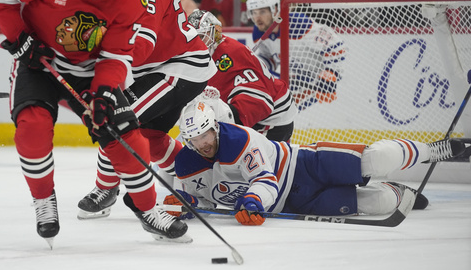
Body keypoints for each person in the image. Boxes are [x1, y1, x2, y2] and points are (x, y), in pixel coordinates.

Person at [0, 0, 189, 246]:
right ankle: (43, 200)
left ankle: (148, 209)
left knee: (126, 134)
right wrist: (19, 38)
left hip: (89, 70)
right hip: (39, 63)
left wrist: (105, 94)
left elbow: (115, 57)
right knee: (33, 126)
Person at [76, 0, 216, 221]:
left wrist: (110, 73)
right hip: (156, 68)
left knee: (116, 119)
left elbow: (143, 43)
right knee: (149, 138)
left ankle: (106, 189)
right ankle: (205, 176)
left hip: (180, 66)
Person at [164, 101, 470, 225]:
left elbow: (264, 182)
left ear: (215, 127)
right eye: (194, 140)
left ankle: (434, 150)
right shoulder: (187, 165)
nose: (202, 144)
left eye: (205, 134)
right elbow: (200, 199)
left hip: (305, 164)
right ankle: (400, 191)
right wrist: (185, 202)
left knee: (377, 159)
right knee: (378, 203)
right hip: (299, 203)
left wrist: (254, 202)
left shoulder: (240, 140)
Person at [187, 9, 296, 142]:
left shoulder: (228, 54)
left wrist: (227, 121)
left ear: (214, 33)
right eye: (192, 38)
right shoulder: (209, 55)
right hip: (264, 112)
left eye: (201, 37)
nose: (196, 44)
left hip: (272, 119)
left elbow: (260, 100)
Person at [246, 0, 346, 109]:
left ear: (275, 9)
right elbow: (269, 57)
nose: (257, 18)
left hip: (322, 85)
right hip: (298, 84)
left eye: (262, 12)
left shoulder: (298, 24)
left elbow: (336, 46)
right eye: (254, 12)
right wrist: (258, 67)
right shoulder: (259, 32)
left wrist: (330, 73)